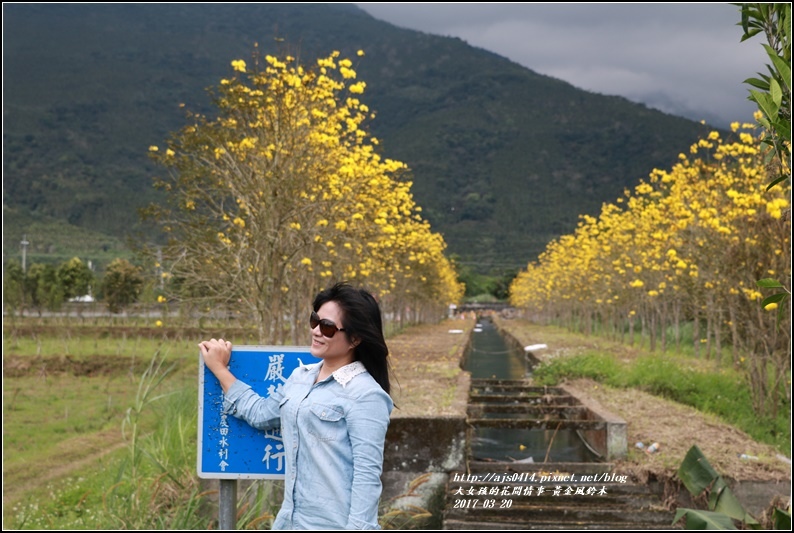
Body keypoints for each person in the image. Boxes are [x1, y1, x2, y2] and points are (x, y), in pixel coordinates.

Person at [199, 282, 393, 530]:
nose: (316, 331)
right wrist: (219, 368)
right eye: (315, 321)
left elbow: (367, 477)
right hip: (289, 523)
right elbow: (260, 414)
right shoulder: (299, 377)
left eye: (328, 327)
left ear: (355, 339)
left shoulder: (365, 394)